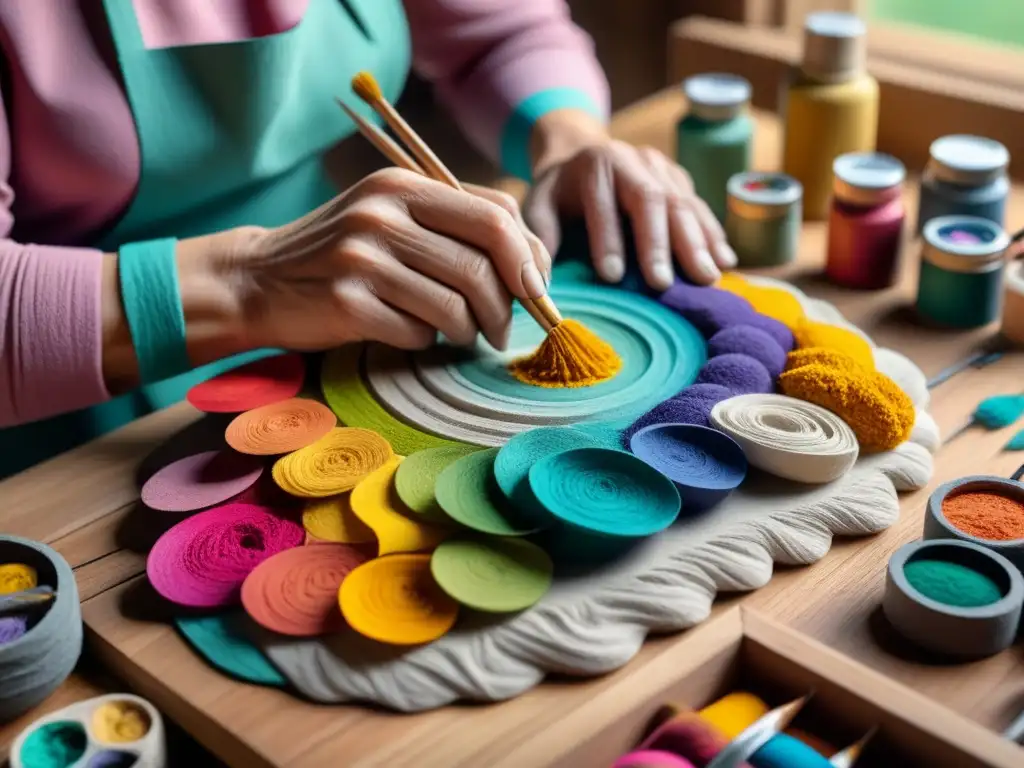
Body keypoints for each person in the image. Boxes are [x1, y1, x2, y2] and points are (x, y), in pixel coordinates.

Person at [0, 0, 736, 478]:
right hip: (66, 411)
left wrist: (569, 138)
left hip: (348, 312)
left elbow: (499, 33)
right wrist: (254, 282)